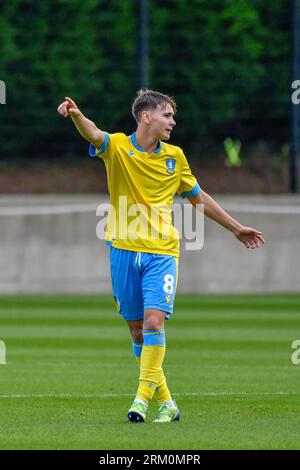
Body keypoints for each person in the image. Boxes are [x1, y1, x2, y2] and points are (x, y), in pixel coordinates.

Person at [57, 89, 265, 424]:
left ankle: (140, 400)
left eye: (172, 116)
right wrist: (76, 115)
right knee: (138, 332)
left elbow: (198, 197)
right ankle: (167, 403)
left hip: (162, 252)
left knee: (155, 321)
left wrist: (236, 227)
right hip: (123, 251)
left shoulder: (175, 157)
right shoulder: (118, 148)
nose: (173, 121)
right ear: (146, 117)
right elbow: (94, 134)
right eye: (167, 115)